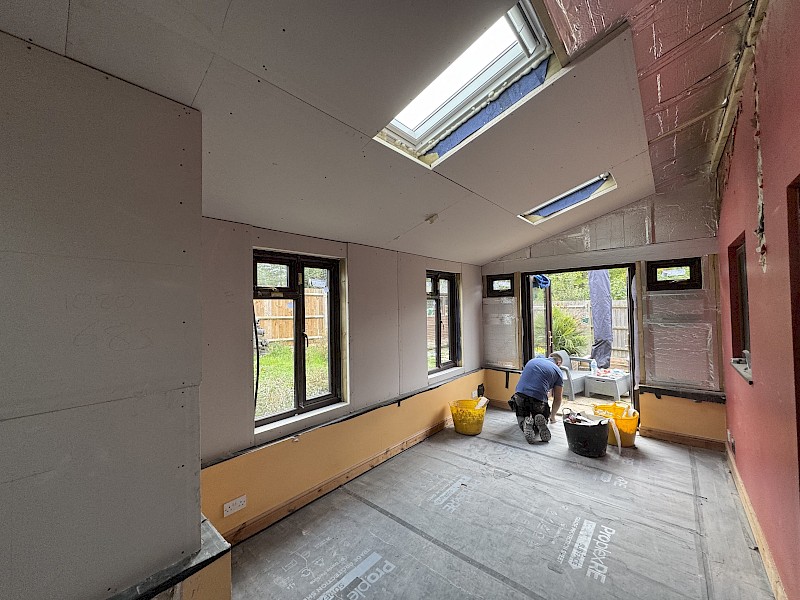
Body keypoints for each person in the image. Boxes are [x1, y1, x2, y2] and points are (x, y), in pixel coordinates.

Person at [509, 353, 564, 443]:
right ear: (558, 363)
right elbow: (558, 399)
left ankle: (524, 422)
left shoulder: (533, 361)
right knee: (541, 418)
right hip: (538, 401)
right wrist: (552, 416)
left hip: (520, 396)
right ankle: (538, 425)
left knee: (521, 414)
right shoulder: (558, 371)